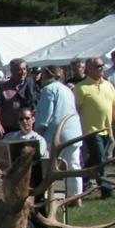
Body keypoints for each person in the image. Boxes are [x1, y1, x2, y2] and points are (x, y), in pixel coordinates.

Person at [73, 56, 115, 199]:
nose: (101, 68)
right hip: (91, 131)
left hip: (107, 130)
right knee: (101, 160)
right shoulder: (81, 88)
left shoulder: (108, 85)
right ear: (88, 69)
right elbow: (75, 111)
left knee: (95, 160)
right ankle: (107, 191)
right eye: (98, 66)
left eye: (102, 66)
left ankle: (82, 179)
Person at [35, 66, 84, 200]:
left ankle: (46, 197)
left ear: (47, 75)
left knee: (48, 167)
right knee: (73, 165)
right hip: (73, 131)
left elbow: (46, 115)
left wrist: (39, 132)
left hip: (56, 134)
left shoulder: (48, 90)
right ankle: (75, 197)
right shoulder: (66, 89)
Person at [0, 58, 39, 138]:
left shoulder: (31, 85)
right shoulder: (3, 87)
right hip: (9, 129)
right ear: (12, 71)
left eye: (24, 69)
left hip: (28, 129)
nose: (23, 72)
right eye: (19, 70)